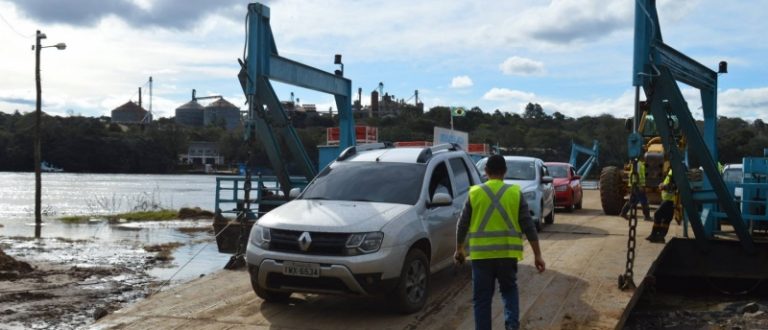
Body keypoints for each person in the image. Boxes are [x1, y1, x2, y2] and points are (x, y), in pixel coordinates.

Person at [455, 155, 546, 330]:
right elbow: (529, 226)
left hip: (481, 257)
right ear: (505, 172)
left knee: (481, 299)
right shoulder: (515, 193)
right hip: (507, 255)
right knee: (509, 291)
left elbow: (462, 224)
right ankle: (511, 326)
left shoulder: (474, 193)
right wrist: (538, 256)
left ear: (486, 172)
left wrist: (459, 249)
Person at [647, 169, 676, 243]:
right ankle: (660, 237)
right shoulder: (673, 169)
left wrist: (663, 186)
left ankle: (655, 235)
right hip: (669, 199)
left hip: (670, 199)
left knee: (657, 214)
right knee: (666, 219)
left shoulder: (676, 170)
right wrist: (663, 184)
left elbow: (675, 186)